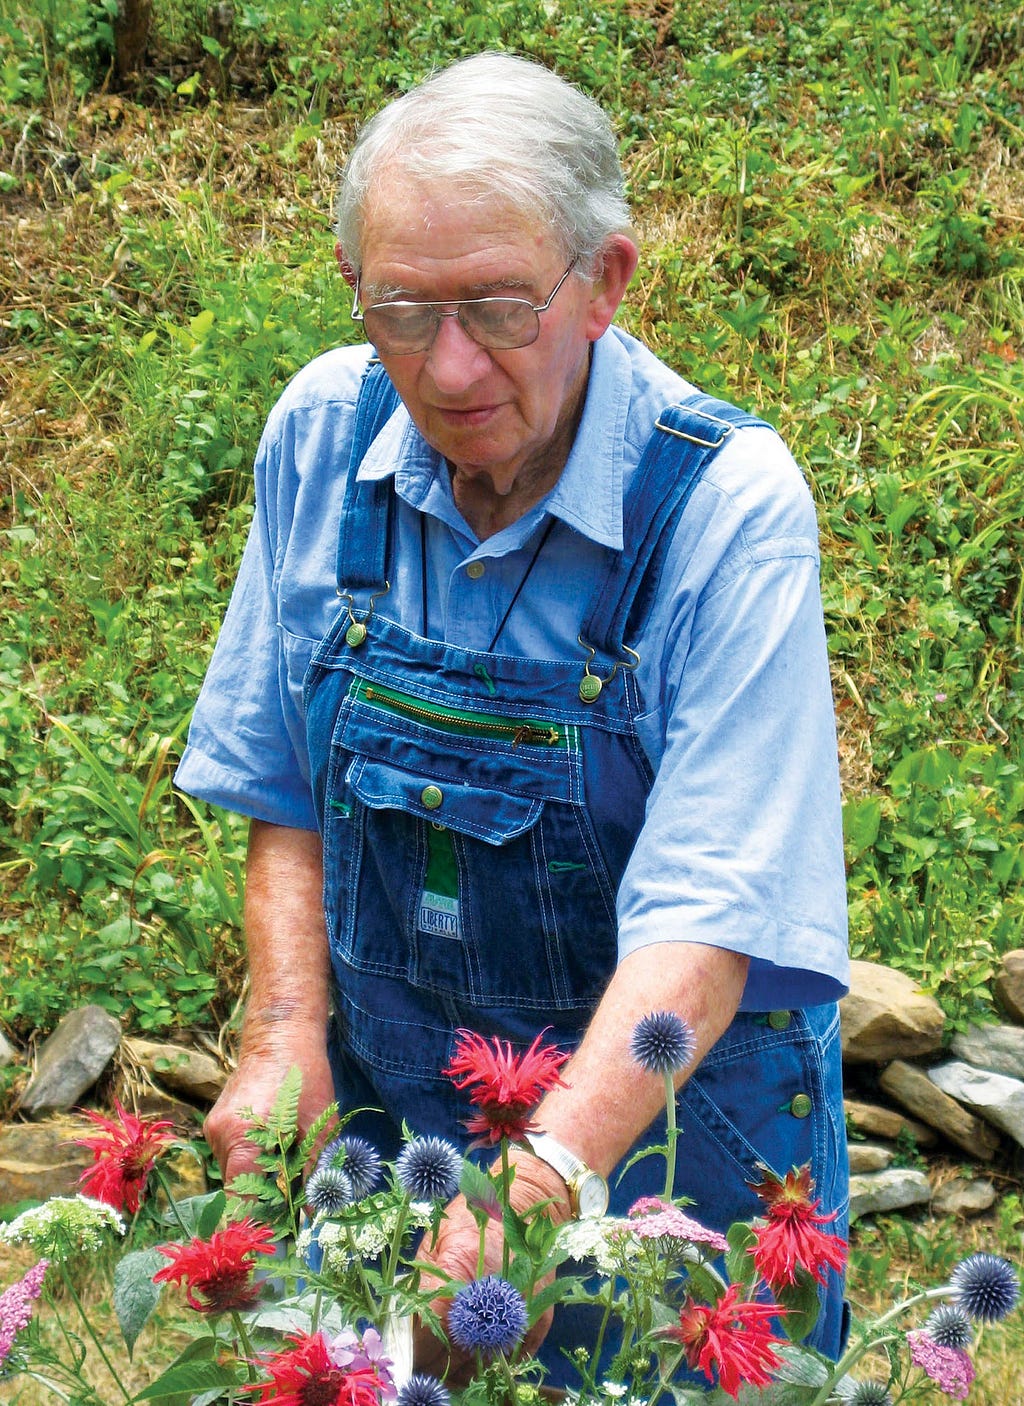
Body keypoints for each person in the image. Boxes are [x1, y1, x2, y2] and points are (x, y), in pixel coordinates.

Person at [175, 50, 850, 1381]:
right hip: (397, 1121)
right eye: (401, 310)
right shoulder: (323, 432)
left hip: (666, 1148)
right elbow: (287, 784)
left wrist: (537, 1189)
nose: (449, 366)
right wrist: (284, 1030)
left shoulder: (723, 510)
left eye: (496, 307)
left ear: (604, 281)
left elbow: (710, 916)